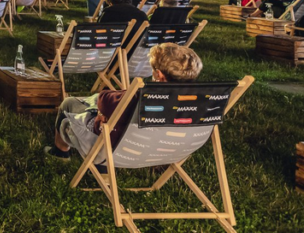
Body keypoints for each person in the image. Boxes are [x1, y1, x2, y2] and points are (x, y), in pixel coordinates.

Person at [44, 42, 203, 160]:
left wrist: (103, 111)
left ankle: (61, 153)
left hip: (116, 150)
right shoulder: (201, 101)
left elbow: (105, 99)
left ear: (160, 75)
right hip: (166, 151)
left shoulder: (141, 96)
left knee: (69, 103)